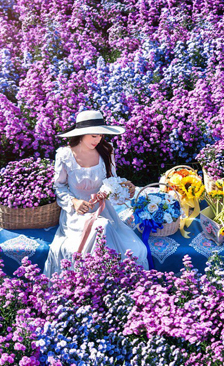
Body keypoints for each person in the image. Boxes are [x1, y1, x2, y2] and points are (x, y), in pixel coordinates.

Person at [44, 110, 150, 276]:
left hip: (103, 208)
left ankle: (109, 276)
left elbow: (112, 180)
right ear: (81, 134)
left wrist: (124, 186)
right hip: (78, 212)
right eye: (93, 135)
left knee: (126, 241)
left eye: (100, 135)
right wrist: (74, 202)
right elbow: (59, 186)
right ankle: (89, 277)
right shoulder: (65, 155)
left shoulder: (107, 151)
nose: (98, 139)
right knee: (101, 226)